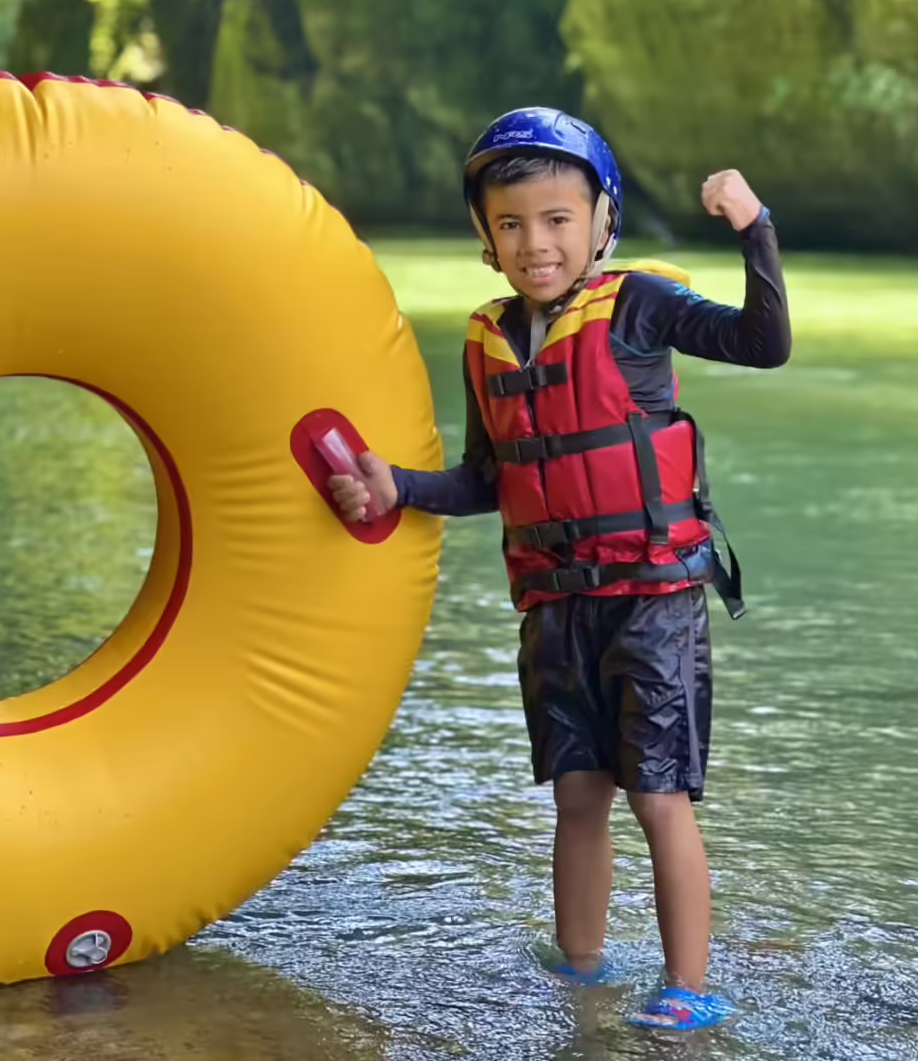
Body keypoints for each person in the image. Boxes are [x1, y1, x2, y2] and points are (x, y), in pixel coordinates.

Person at [328, 108, 791, 1031]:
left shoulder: (638, 307)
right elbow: (489, 477)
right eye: (510, 224)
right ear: (485, 237)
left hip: (651, 599)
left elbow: (763, 342)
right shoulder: (488, 337)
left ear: (600, 221)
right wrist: (397, 488)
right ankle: (581, 971)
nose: (535, 243)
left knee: (658, 795)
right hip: (556, 608)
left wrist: (753, 225)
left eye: (556, 220)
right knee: (578, 796)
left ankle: (688, 988)